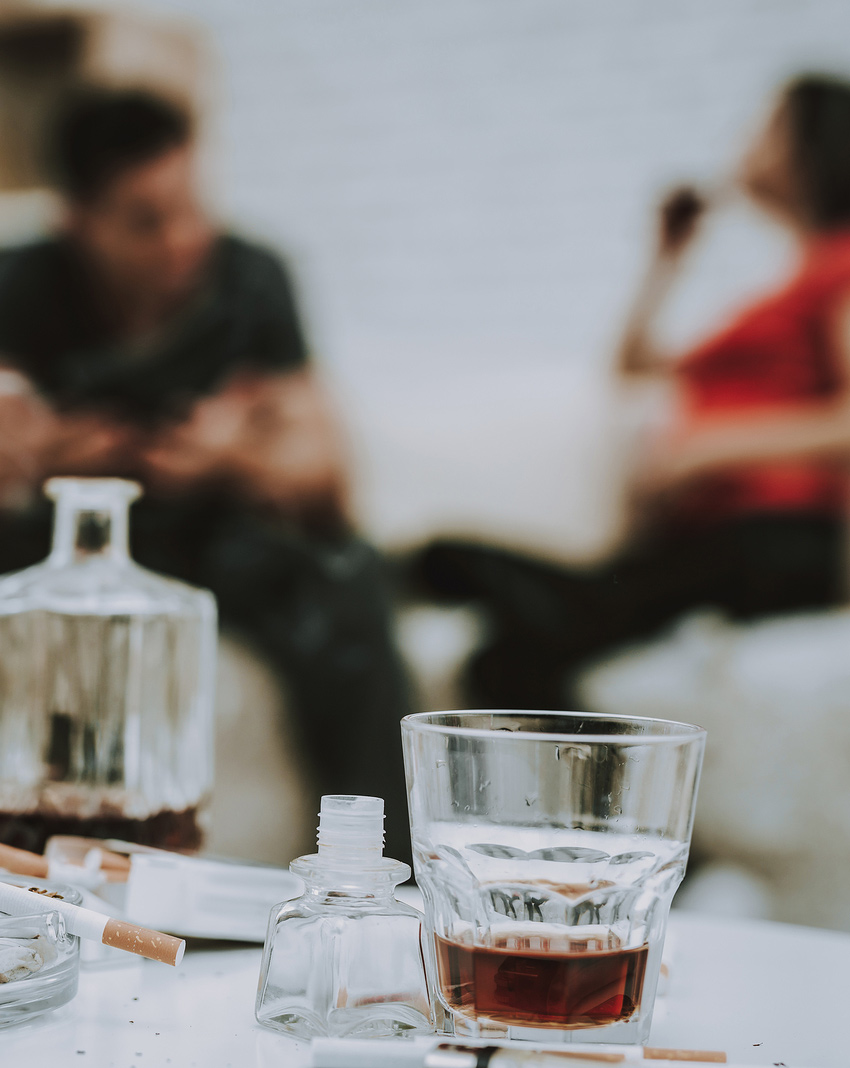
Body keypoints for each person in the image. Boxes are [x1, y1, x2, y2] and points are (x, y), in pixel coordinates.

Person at [0, 87, 411, 859]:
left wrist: (235, 457)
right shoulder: (20, 284)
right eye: (146, 222)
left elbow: (330, 483)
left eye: (192, 208)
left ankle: (385, 881)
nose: (183, 240)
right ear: (77, 222)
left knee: (346, 589)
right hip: (58, 534)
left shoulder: (253, 277)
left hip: (218, 528)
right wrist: (47, 458)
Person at [416, 73, 850, 709]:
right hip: (701, 540)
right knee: (508, 652)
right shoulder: (780, 288)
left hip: (778, 534)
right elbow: (630, 366)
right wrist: (667, 259)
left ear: (810, 142)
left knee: (487, 610)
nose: (746, 143)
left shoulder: (840, 263)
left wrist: (705, 451)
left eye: (767, 128)